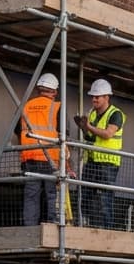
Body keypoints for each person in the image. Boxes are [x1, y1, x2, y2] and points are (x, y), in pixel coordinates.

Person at [74, 79, 124, 229]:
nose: (94, 99)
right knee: (85, 196)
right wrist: (84, 128)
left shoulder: (116, 114)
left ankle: (107, 230)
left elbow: (108, 134)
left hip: (108, 164)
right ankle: (84, 226)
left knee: (105, 199)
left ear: (106, 97)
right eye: (93, 96)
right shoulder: (93, 114)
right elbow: (91, 138)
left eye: (98, 96)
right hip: (92, 163)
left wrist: (88, 126)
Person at [20, 72, 62, 226]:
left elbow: (18, 131)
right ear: (55, 91)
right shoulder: (57, 107)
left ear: (38, 89)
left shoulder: (26, 106)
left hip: (29, 157)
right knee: (52, 194)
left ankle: (29, 228)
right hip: (50, 159)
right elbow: (64, 137)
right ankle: (53, 226)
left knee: (31, 195)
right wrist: (67, 164)